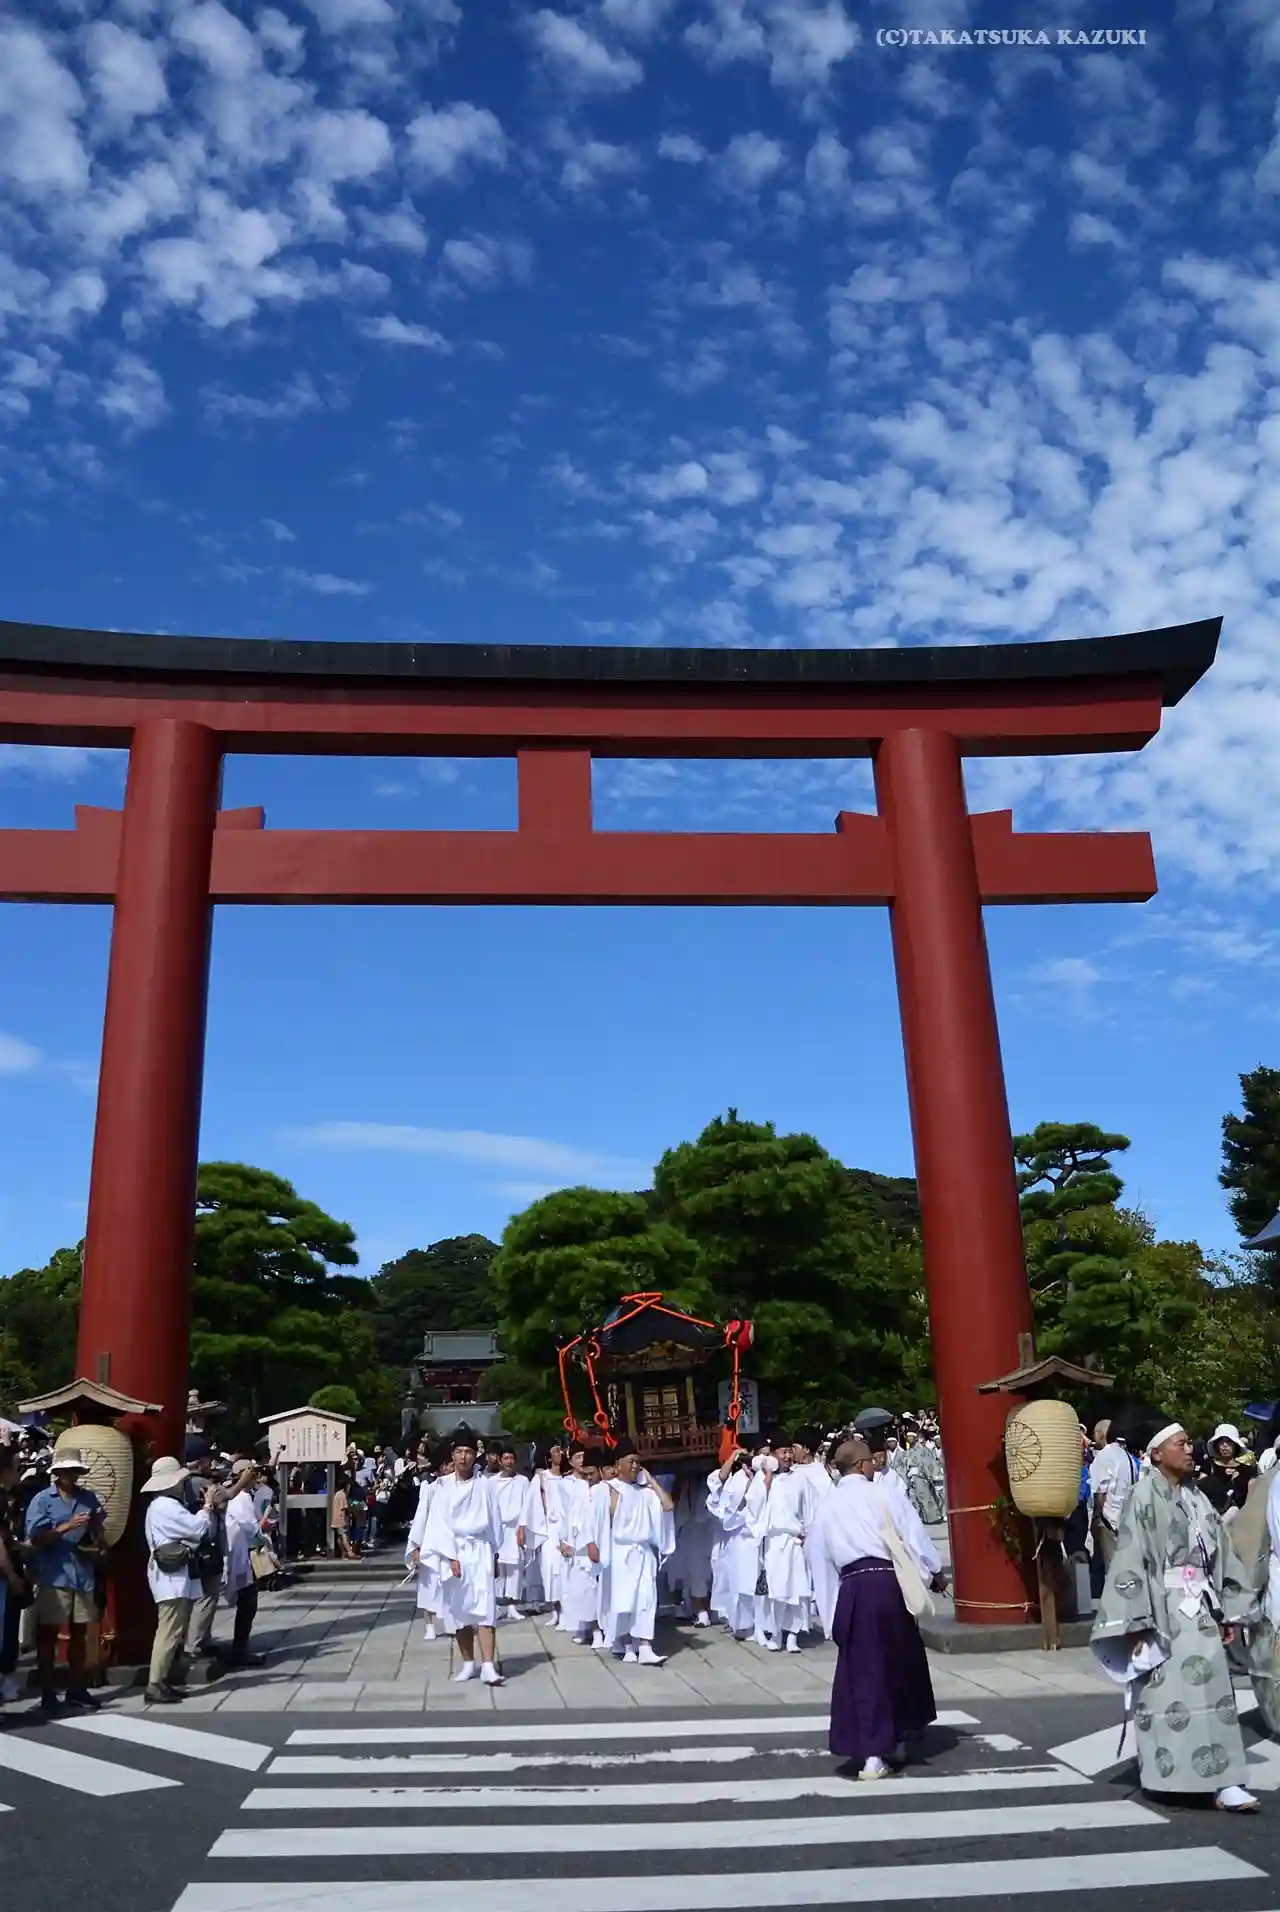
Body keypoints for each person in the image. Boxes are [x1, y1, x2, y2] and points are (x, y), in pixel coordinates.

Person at [1091, 1421, 1258, 1813]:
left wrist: (1226, 1610)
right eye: (1180, 1444)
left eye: (1187, 1444)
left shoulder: (1198, 1497)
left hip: (1201, 1607)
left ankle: (1224, 1780)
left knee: (1215, 1697)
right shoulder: (1143, 1495)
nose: (1189, 1450)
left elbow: (1221, 1552)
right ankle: (1168, 1775)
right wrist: (1135, 1622)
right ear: (1157, 1453)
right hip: (1162, 1609)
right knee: (1168, 1697)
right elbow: (1132, 1559)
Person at [805, 1436, 937, 1780]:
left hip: (853, 1588)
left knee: (864, 1671)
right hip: (889, 1584)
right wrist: (931, 1571)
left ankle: (873, 1754)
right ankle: (898, 1737)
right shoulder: (883, 1494)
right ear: (862, 1465)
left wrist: (830, 1612)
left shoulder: (826, 1507)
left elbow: (818, 1560)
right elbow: (913, 1535)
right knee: (900, 1661)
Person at [420, 1431, 505, 1684]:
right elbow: (438, 1523)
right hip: (454, 1550)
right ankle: (468, 1663)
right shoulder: (443, 1486)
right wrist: (451, 1556)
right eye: (459, 1452)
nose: (463, 1457)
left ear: (475, 1455)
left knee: (485, 1607)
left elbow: (495, 1521)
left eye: (468, 1452)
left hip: (479, 1549)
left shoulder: (485, 1485)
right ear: (453, 1455)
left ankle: (488, 1665)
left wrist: (495, 1552)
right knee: (459, 1610)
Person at [24, 1451, 106, 1712]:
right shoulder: (42, 1500)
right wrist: (66, 1527)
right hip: (54, 1573)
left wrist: (97, 1531)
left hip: (82, 1572)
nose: (71, 1476)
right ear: (57, 1474)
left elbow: (99, 1531)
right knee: (48, 1635)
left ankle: (76, 1687)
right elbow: (35, 1538)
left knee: (80, 1633)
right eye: (67, 1471)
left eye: (75, 1471)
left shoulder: (88, 1498)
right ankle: (48, 1691)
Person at [141, 1453, 216, 1705]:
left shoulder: (158, 1505)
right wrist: (207, 1508)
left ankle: (162, 1681)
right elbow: (197, 1529)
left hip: (168, 1575)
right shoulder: (167, 1506)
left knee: (172, 1630)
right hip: (170, 1578)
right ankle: (156, 1684)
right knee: (169, 1631)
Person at [600, 1442, 674, 1664]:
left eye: (637, 1462)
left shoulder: (646, 1492)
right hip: (621, 1553)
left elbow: (668, 1506)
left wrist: (651, 1480)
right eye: (630, 1461)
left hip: (643, 1552)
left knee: (646, 1599)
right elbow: (600, 1523)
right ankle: (626, 1645)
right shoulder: (609, 1489)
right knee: (625, 1601)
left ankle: (644, 1646)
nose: (635, 1466)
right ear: (618, 1464)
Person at [753, 1439, 817, 1653]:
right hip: (773, 1543)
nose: (788, 1456)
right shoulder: (763, 1479)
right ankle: (776, 1632)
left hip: (794, 1542)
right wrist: (766, 1480)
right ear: (773, 1454)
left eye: (790, 1452)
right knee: (776, 1590)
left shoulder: (800, 1480)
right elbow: (753, 1506)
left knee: (797, 1590)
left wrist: (808, 1536)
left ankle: (793, 1635)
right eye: (783, 1452)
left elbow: (810, 1511)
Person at [183, 1439, 236, 1662]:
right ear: (200, 1462)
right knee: (207, 1596)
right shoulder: (202, 1483)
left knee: (195, 1596)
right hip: (206, 1544)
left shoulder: (183, 1483)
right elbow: (227, 1496)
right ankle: (196, 1644)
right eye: (208, 1460)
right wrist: (244, 1480)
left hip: (190, 1544)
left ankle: (199, 1640)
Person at [706, 1446, 765, 1639]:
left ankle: (759, 1624)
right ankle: (740, 1625)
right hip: (736, 1537)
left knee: (755, 1583)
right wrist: (734, 1458)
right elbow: (724, 1503)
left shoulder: (763, 1477)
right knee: (738, 1584)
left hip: (756, 1538)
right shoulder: (734, 1479)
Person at [559, 1446, 608, 1645]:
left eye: (592, 1473)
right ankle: (587, 1627)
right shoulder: (578, 1488)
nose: (588, 1478)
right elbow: (570, 1514)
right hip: (580, 1544)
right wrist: (564, 1540)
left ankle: (600, 1630)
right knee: (582, 1589)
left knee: (598, 1589)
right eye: (586, 1474)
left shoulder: (604, 1489)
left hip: (599, 1544)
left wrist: (593, 1542)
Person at [221, 1459, 267, 1667]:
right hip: (238, 1556)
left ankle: (240, 1648)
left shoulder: (238, 1495)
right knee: (247, 1603)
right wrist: (263, 1540)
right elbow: (251, 1527)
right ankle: (240, 1650)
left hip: (236, 1554)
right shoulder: (241, 1497)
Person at [518, 1438, 568, 1619]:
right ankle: (555, 1610)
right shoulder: (541, 1478)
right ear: (548, 1456)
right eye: (555, 1451)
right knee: (550, 1569)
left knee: (566, 1570)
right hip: (549, 1528)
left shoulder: (568, 1478)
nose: (559, 1454)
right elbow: (529, 1504)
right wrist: (523, 1527)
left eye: (561, 1450)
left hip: (567, 1527)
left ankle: (567, 1610)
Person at [488, 1444, 529, 1620]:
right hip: (497, 1529)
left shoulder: (523, 1481)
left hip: (515, 1528)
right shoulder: (491, 1482)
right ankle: (496, 1605)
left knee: (515, 1568)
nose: (509, 1462)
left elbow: (527, 1506)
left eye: (512, 1458)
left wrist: (522, 1527)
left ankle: (512, 1606)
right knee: (497, 1568)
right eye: (506, 1458)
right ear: (500, 1460)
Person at [406, 1457, 444, 1641]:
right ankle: (429, 1625)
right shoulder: (430, 1489)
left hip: (454, 1546)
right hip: (431, 1543)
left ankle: (454, 1622)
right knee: (429, 1586)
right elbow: (420, 1518)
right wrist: (416, 1546)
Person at [1198, 1424, 1253, 1521]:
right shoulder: (1208, 1464)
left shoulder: (1245, 1469)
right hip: (1210, 1516)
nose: (1224, 1445)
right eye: (1221, 1441)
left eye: (1229, 1441)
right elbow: (1200, 1491)